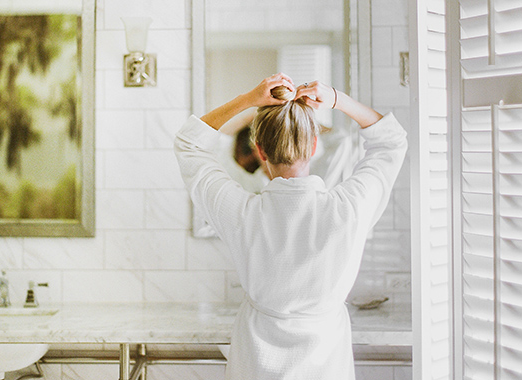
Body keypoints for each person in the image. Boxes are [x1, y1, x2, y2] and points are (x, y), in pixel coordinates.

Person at [174, 73, 407, 379]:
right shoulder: (348, 208)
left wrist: (248, 100)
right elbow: (391, 141)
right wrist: (338, 100)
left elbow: (189, 143)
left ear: (260, 150)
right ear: (313, 146)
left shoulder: (240, 212)